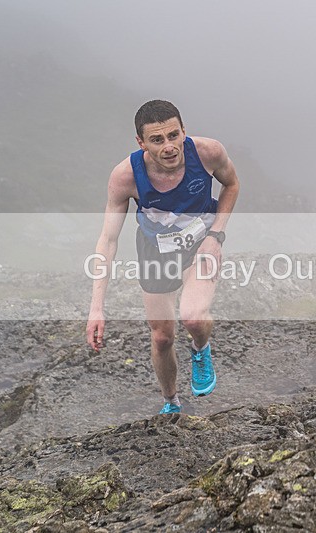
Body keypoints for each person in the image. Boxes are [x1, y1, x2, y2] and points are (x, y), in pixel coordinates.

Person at [86, 99, 239, 414]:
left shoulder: (208, 153)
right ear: (141, 143)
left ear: (184, 131)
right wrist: (96, 308)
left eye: (173, 135)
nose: (169, 146)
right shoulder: (126, 176)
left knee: (193, 317)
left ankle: (200, 348)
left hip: (201, 242)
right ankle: (171, 402)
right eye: (157, 140)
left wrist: (216, 236)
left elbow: (232, 185)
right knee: (162, 337)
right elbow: (108, 240)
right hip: (156, 249)